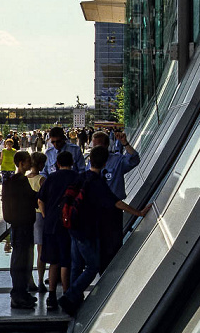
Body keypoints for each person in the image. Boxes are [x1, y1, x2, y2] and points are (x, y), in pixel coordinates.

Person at [58, 145, 152, 316]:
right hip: (86, 230)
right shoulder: (97, 182)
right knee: (93, 266)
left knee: (77, 265)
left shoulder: (81, 177)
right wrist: (138, 213)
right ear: (105, 162)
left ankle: (73, 299)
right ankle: (70, 297)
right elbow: (115, 202)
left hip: (73, 228)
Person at [91, 130, 140, 270]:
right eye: (94, 146)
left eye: (98, 146)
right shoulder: (91, 162)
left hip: (113, 210)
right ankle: (102, 270)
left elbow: (134, 159)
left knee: (113, 243)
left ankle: (114, 270)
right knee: (99, 244)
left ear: (106, 146)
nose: (96, 149)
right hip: (96, 210)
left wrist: (125, 143)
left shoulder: (117, 160)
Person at [38, 151, 79, 310]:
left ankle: (52, 296)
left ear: (57, 164)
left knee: (53, 261)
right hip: (68, 224)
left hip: (51, 224)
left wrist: (45, 215)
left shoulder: (51, 178)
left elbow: (40, 200)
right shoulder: (77, 178)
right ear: (72, 162)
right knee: (66, 261)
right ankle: (67, 295)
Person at [2, 150, 39, 309]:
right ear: (21, 163)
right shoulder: (20, 181)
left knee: (22, 258)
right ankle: (18, 294)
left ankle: (22, 293)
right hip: (22, 224)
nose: (31, 163)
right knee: (21, 258)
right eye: (28, 161)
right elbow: (31, 197)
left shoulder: (11, 180)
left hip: (18, 223)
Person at [26, 152, 47, 293]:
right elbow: (43, 200)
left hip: (27, 215)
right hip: (39, 216)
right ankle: (40, 280)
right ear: (40, 164)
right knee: (41, 250)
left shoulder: (24, 178)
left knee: (28, 250)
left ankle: (29, 280)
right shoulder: (42, 179)